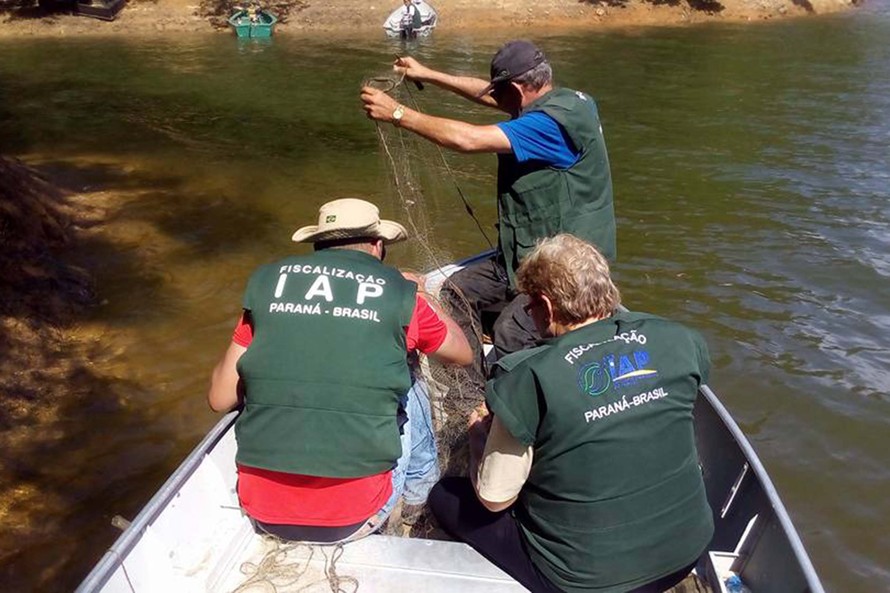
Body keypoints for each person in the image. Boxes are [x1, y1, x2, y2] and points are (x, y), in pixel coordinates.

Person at [428, 234, 714, 593]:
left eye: (528, 306)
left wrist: (477, 436)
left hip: (584, 581)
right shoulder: (679, 338)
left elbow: (494, 497)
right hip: (688, 549)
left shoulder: (527, 377)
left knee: (445, 496)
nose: (529, 315)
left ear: (546, 307)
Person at [207, 198, 472, 543]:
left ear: (317, 244)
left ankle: (416, 494)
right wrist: (420, 293)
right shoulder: (400, 296)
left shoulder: (268, 284)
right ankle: (418, 500)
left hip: (261, 510)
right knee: (410, 377)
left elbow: (219, 397)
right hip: (357, 514)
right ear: (378, 246)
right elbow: (462, 354)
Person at [360, 39, 617, 373]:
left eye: (501, 92)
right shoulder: (569, 101)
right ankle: (471, 386)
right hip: (525, 254)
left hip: (565, 266)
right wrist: (428, 74)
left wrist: (397, 113)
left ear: (516, 87)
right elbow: (489, 92)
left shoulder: (547, 126)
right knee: (455, 294)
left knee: (510, 332)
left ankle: (497, 408)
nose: (495, 98)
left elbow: (468, 139)